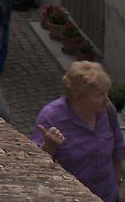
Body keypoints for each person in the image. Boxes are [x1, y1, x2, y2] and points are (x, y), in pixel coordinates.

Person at [31, 61, 124, 202]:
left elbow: (117, 148)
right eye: (99, 95)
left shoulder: (108, 111)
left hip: (107, 195)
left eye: (106, 92)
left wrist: (118, 182)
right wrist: (49, 146)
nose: (107, 99)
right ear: (79, 98)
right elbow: (35, 164)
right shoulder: (52, 117)